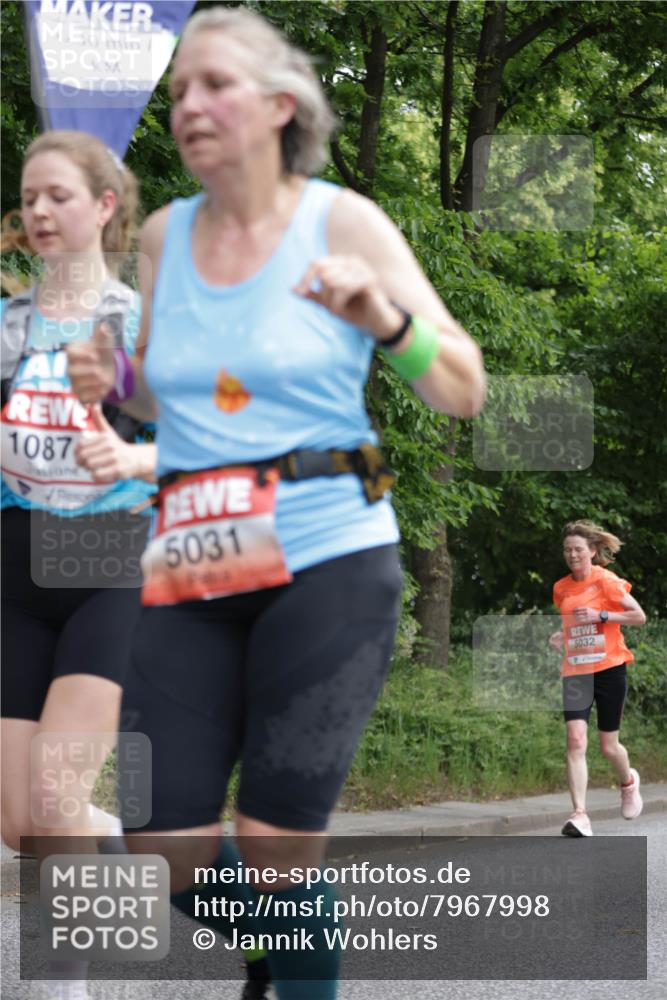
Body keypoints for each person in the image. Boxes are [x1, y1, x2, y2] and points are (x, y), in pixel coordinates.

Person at [67, 7, 486, 999]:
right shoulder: (166, 234)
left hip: (327, 551)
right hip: (194, 556)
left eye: (213, 84)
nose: (189, 106)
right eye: (177, 93)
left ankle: (298, 971)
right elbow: (165, 390)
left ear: (278, 105)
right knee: (160, 841)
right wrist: (112, 374)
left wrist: (384, 320)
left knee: (273, 845)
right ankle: (289, 951)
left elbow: (461, 384)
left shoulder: (340, 221)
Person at [0, 130, 156, 1000]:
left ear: (104, 206)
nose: (39, 211)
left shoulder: (141, 325)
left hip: (105, 557)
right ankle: (116, 839)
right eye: (28, 197)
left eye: (58, 194)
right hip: (12, 563)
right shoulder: (7, 324)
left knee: (56, 802)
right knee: (23, 826)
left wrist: (134, 458)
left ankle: (66, 989)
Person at [549, 520, 646, 838]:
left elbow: (638, 617)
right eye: (567, 550)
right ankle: (580, 815)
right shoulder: (561, 588)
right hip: (576, 672)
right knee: (576, 740)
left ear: (592, 550)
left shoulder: (607, 581)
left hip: (609, 670)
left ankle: (628, 782)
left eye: (578, 549)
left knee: (609, 746)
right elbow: (574, 624)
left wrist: (602, 615)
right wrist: (561, 636)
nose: (572, 554)